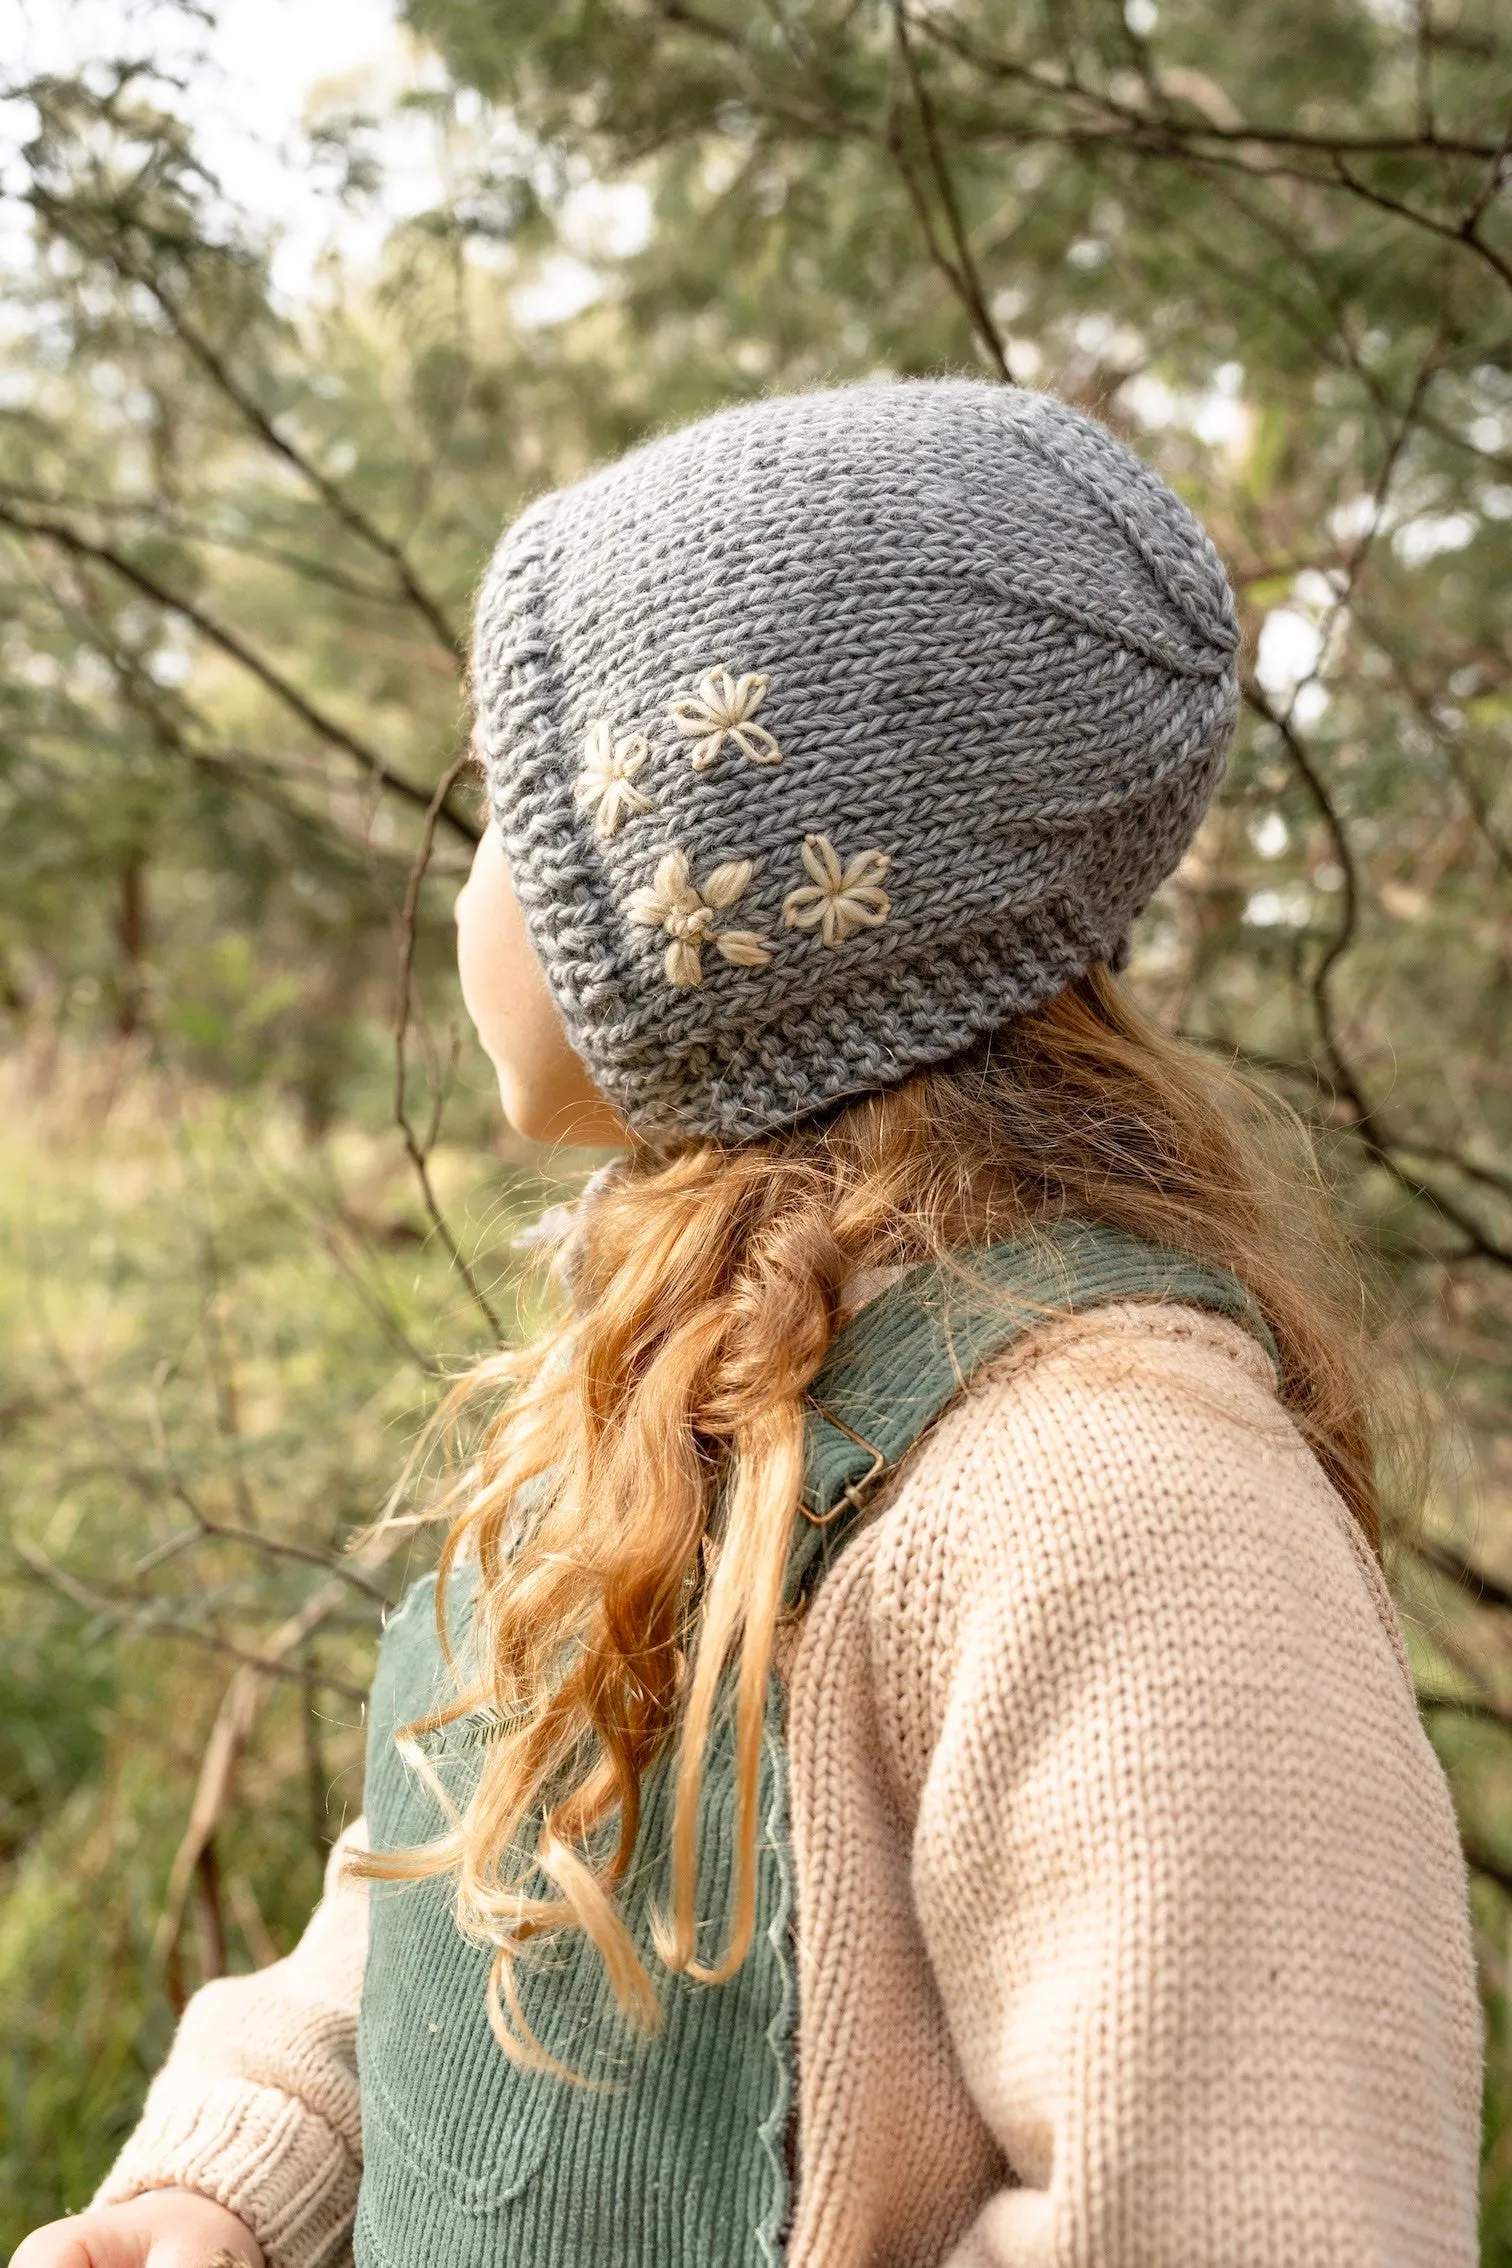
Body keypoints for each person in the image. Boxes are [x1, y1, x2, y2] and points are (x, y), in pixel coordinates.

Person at [17, 380, 1480, 2268]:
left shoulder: (1118, 1499)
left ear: (711, 897)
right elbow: (483, 1903)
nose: (462, 884)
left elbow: (1259, 2207)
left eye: (506, 813)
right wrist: (240, 2182)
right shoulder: (709, 1359)